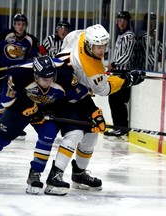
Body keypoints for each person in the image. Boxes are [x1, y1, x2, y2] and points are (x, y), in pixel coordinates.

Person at [0, 56, 103, 196]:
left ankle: (35, 174)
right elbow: (6, 101)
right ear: (35, 75)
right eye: (44, 78)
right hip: (20, 107)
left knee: (49, 132)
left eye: (51, 78)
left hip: (46, 109)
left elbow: (81, 96)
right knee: (0, 138)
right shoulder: (18, 74)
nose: (48, 82)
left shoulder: (65, 75)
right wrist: (31, 108)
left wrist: (94, 111)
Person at [44, 23, 145, 195]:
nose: (102, 49)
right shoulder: (91, 69)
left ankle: (79, 174)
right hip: (62, 96)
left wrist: (80, 80)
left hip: (72, 91)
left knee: (91, 132)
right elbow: (104, 89)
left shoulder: (79, 35)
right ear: (90, 44)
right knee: (75, 133)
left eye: (104, 45)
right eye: (98, 46)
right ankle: (54, 176)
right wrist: (127, 80)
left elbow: (66, 42)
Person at [0, 13, 39, 140]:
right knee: (1, 99)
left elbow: (34, 58)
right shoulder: (4, 35)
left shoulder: (31, 40)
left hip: (19, 75)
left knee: (17, 101)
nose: (20, 27)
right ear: (14, 24)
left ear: (26, 26)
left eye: (23, 24)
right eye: (18, 24)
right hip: (2, 72)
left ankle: (12, 125)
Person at [103, 11, 136, 141]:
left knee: (118, 100)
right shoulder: (120, 36)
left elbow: (127, 56)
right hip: (117, 72)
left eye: (124, 20)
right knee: (114, 99)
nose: (121, 22)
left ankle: (122, 129)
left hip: (124, 72)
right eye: (120, 19)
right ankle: (119, 128)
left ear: (128, 22)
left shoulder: (129, 36)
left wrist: (114, 64)